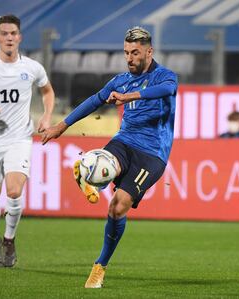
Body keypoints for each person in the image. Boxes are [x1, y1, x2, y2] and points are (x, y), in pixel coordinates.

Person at [41, 26, 178, 288]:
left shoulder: (165, 76)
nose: (129, 58)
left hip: (152, 154)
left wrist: (130, 96)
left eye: (135, 53)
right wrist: (62, 125)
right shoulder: (120, 80)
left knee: (118, 206)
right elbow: (95, 101)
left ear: (149, 51)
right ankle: (90, 173)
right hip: (124, 142)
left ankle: (99, 265)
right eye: (126, 52)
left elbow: (167, 90)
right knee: (100, 164)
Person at [0, 14, 55, 267]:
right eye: (4, 33)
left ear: (20, 37)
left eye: (13, 33)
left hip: (20, 138)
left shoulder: (32, 67)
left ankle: (9, 240)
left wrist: (47, 116)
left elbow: (47, 90)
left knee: (14, 191)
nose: (9, 38)